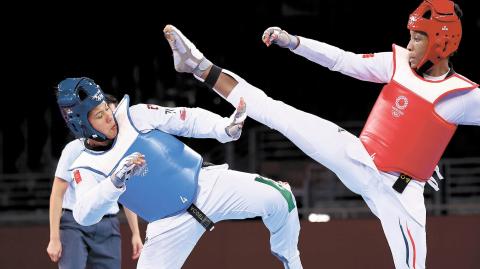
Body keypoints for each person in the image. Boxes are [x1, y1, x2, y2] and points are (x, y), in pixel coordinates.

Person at [163, 0, 479, 267]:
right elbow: (342, 61)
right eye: (410, 36)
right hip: (358, 157)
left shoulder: (462, 95)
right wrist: (294, 42)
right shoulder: (397, 64)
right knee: (275, 112)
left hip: (400, 193)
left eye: (419, 38)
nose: (410, 45)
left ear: (442, 41)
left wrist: (424, 159)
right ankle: (197, 66)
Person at [55, 77, 303, 269]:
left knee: (282, 198)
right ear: (81, 124)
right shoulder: (85, 166)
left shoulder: (135, 115)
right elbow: (84, 214)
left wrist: (223, 127)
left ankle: (291, 261)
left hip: (207, 185)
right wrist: (115, 181)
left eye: (106, 108)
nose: (109, 116)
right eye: (99, 115)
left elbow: (187, 119)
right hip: (167, 227)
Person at [47, 94, 144, 269]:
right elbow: (57, 194)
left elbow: (125, 192)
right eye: (103, 116)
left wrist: (136, 233)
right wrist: (54, 238)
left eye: (113, 116)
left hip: (109, 224)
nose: (111, 121)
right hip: (73, 224)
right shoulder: (74, 149)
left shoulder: (123, 150)